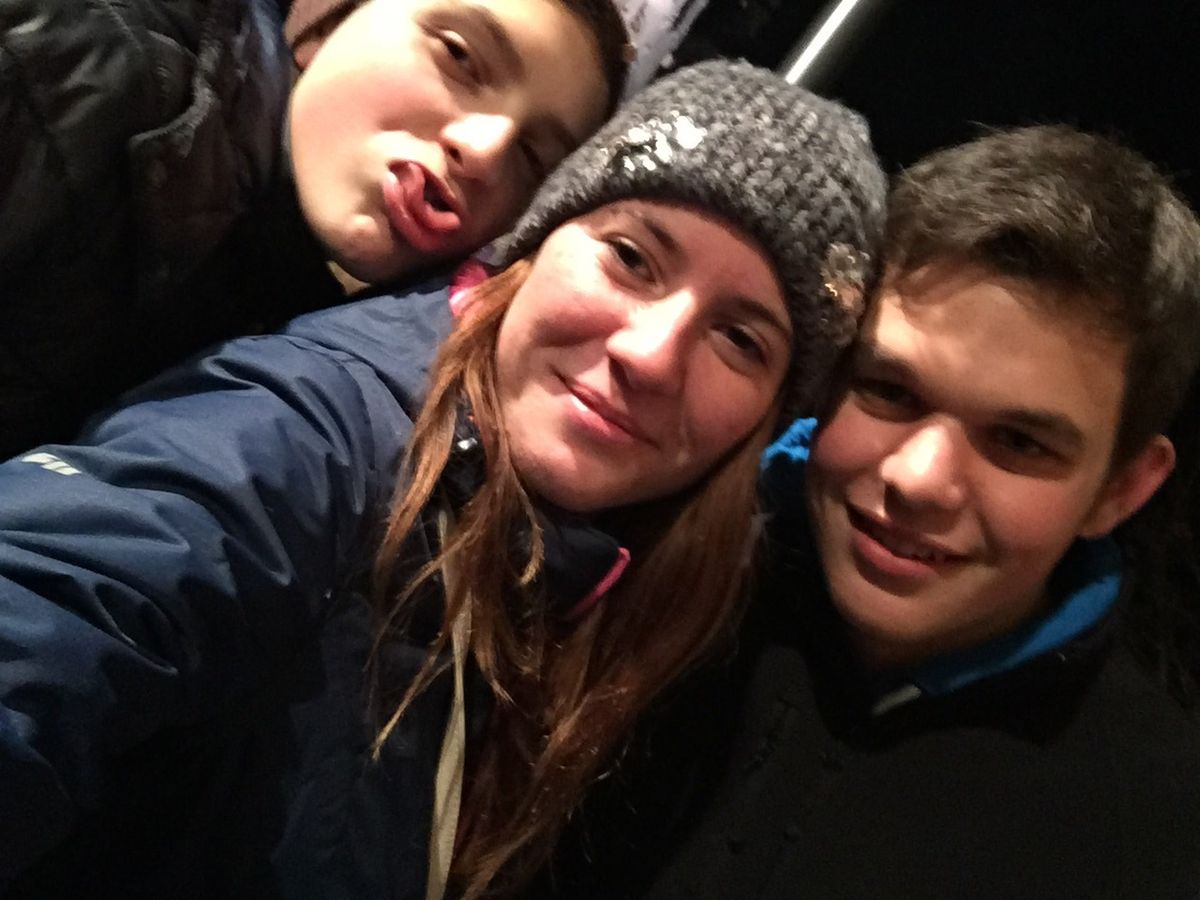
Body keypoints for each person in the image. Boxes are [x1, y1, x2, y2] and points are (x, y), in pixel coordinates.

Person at [0, 60, 885, 899]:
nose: (650, 355)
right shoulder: (316, 433)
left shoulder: (600, 583)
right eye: (631, 257)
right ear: (536, 244)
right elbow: (66, 602)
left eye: (741, 340)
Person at [530, 125, 1200, 900]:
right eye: (890, 391)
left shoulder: (1156, 835)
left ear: (1122, 489)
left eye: (1019, 443)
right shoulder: (635, 560)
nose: (919, 479)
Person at [0, 0, 631, 459]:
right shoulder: (63, 69)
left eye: (532, 158)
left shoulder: (292, 307)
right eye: (459, 56)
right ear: (326, 21)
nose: (486, 151)